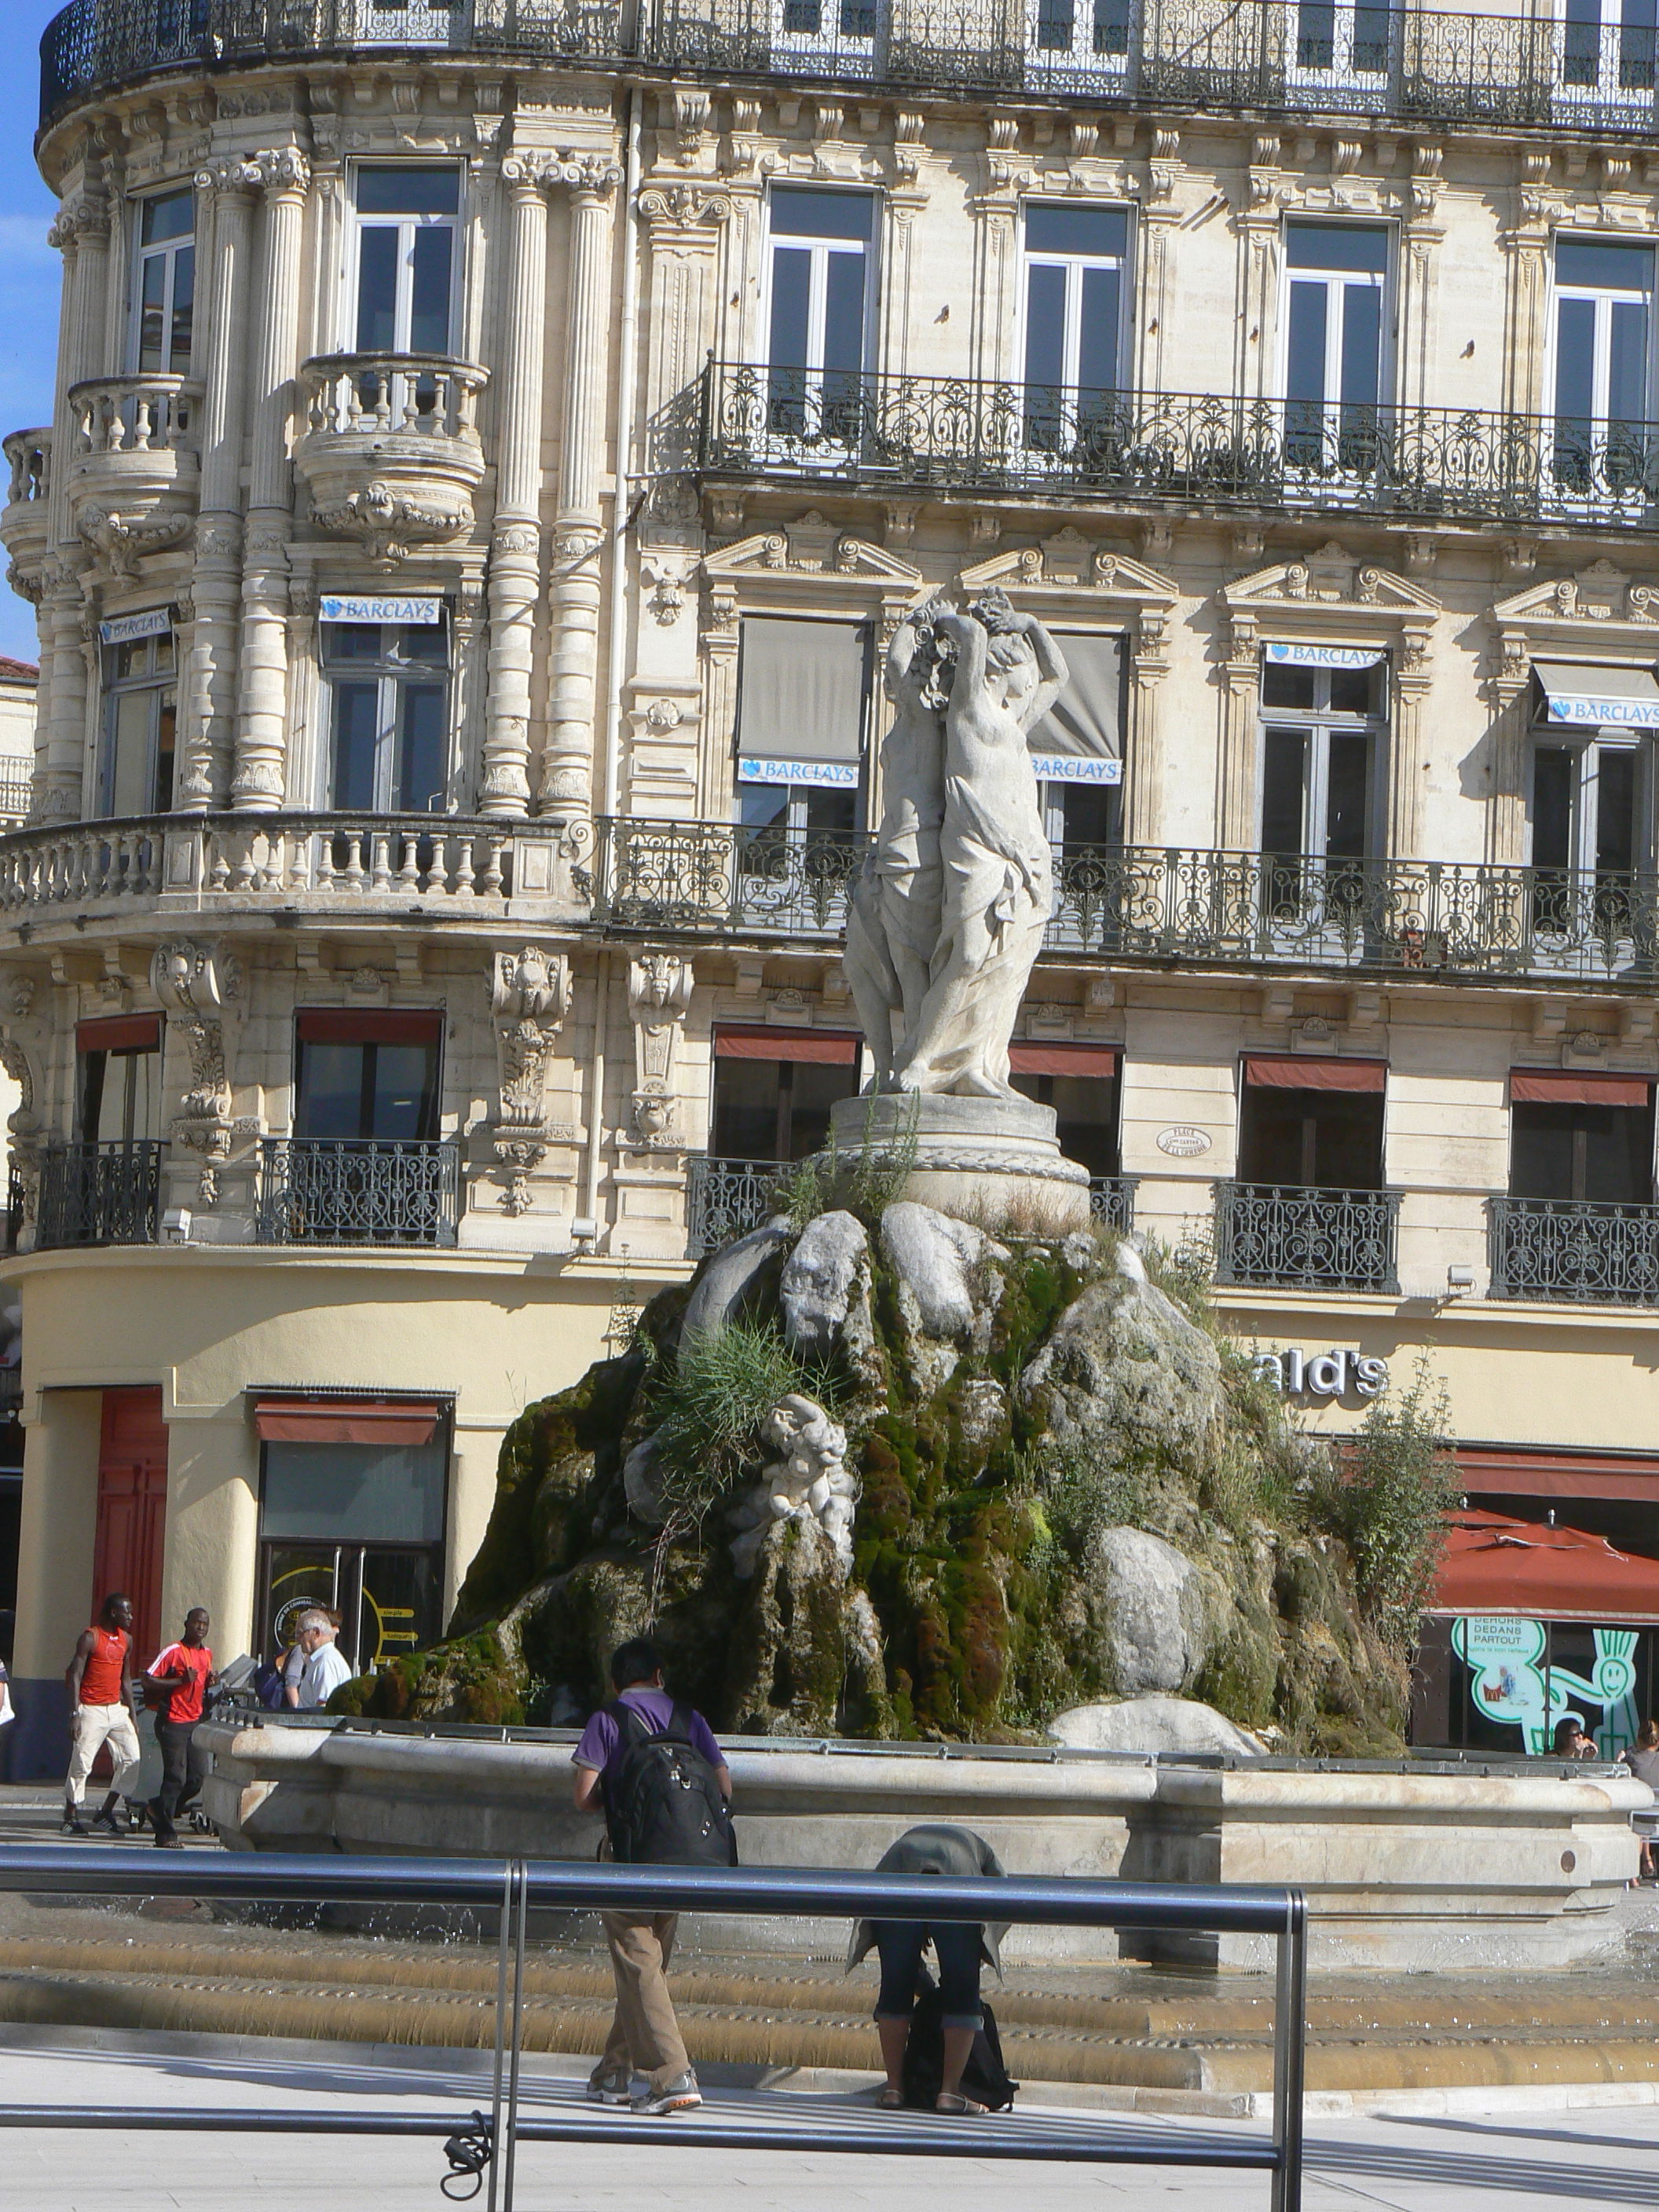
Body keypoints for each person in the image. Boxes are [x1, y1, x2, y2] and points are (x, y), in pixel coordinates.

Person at [571, 1637, 731, 2118]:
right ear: (660, 1675)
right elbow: (723, 1787)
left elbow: (583, 1796)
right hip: (682, 1859)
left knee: (638, 1961)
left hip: (628, 1859)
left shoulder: (609, 1719)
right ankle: (613, 2073)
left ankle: (671, 2074)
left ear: (617, 1681)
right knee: (646, 1966)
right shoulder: (690, 1717)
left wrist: (621, 1800)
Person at [847, 1823, 1009, 2117]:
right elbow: (1001, 1906)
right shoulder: (985, 1861)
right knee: (962, 1988)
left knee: (895, 1985)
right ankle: (950, 2093)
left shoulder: (917, 1837)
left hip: (896, 1873)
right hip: (956, 1881)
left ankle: (894, 2088)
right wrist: (974, 1950)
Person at [63, 1592, 142, 1837]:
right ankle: (71, 1816)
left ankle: (105, 1812)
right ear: (113, 1613)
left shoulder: (126, 1640)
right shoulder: (90, 1637)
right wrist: (75, 1713)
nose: (130, 1617)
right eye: (126, 1612)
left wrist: (132, 1716)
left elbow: (126, 1679)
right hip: (91, 1709)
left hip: (116, 1708)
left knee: (132, 1759)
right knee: (82, 1763)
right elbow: (75, 1674)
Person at [144, 1608, 217, 1850]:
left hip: (194, 1721)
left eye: (205, 1624)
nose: (201, 1628)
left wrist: (210, 1681)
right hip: (172, 1721)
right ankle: (165, 1833)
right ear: (186, 1624)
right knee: (175, 1777)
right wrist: (179, 1681)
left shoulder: (207, 1654)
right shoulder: (173, 1651)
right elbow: (147, 1679)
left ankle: (158, 1807)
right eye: (197, 1623)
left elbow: (200, 1684)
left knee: (196, 1779)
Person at [287, 1608, 353, 1709]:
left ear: (316, 1633)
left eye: (300, 1634)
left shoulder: (326, 1662)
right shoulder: (320, 1659)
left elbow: (323, 1712)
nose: (297, 1640)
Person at [1621, 1719, 1659, 1883]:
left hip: (1637, 1818)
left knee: (1635, 1816)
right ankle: (1647, 1858)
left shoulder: (1631, 1758)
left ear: (1639, 1738)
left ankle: (1632, 1870)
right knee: (1643, 1813)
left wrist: (1621, 1757)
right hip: (1656, 1819)